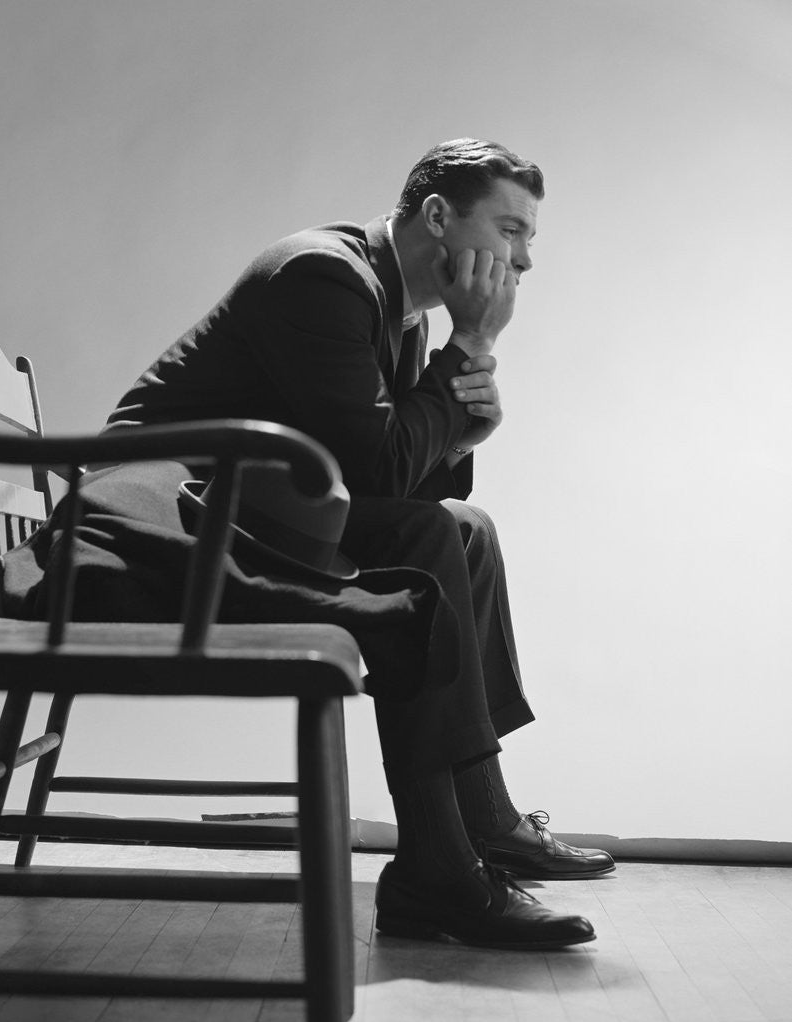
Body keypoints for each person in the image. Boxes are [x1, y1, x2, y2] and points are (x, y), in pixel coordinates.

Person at [55, 139, 617, 949]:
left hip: (235, 524)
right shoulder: (321, 277)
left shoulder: (398, 313)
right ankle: (438, 867)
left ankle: (481, 823)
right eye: (510, 230)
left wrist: (458, 429)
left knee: (465, 533)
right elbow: (375, 470)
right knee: (432, 538)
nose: (524, 260)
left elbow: (386, 490)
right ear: (436, 216)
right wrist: (471, 349)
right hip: (145, 542)